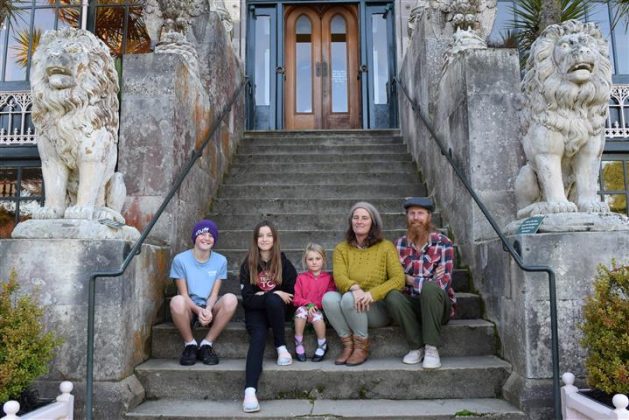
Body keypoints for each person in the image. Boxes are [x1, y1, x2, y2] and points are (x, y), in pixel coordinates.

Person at [322, 201, 405, 366]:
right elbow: (339, 277)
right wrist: (355, 288)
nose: (359, 221)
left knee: (348, 299)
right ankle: (348, 345)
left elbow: (398, 279)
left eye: (364, 218)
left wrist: (371, 294)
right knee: (329, 298)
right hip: (352, 301)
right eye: (356, 217)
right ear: (351, 221)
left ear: (373, 222)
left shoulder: (386, 247)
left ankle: (362, 346)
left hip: (377, 308)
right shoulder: (341, 249)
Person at [385, 197, 456, 369]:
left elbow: (443, 284)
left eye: (420, 213)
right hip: (413, 305)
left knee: (431, 289)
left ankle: (431, 348)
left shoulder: (443, 243)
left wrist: (408, 279)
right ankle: (416, 346)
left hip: (439, 306)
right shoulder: (398, 245)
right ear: (407, 217)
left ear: (429, 217)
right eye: (412, 213)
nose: (416, 218)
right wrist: (426, 280)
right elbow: (395, 281)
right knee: (392, 296)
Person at [239, 221, 297, 413]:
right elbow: (247, 300)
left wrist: (266, 296)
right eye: (261, 235)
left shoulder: (284, 263)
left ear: (274, 239)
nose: (265, 239)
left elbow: (290, 296)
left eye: (269, 235)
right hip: (255, 313)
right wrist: (272, 294)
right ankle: (249, 392)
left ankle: (281, 347)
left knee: (274, 301)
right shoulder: (248, 264)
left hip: (278, 311)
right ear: (256, 239)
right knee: (258, 339)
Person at [169, 219, 238, 366]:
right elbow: (184, 295)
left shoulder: (221, 261)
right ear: (195, 236)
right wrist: (198, 310)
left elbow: (214, 294)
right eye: (202, 234)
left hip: (209, 307)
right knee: (176, 301)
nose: (207, 238)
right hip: (189, 308)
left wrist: (207, 310)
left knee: (231, 299)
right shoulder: (180, 260)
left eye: (211, 236)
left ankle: (207, 344)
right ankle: (190, 344)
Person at [292, 243, 336, 362]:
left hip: (320, 311)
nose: (314, 262)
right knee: (301, 312)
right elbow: (296, 298)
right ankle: (298, 343)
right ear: (305, 261)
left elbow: (329, 297)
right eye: (310, 259)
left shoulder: (328, 278)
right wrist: (308, 304)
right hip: (304, 308)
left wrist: (315, 306)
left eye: (318, 258)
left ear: (323, 260)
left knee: (316, 316)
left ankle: (322, 343)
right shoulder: (301, 278)